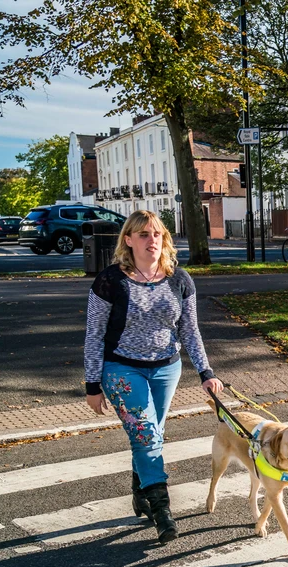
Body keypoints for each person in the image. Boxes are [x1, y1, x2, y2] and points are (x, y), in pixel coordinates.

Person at [84, 210, 223, 544]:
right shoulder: (110, 281)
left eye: (157, 234)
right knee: (146, 436)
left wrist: (206, 372)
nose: (152, 240)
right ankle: (162, 511)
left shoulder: (179, 279)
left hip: (166, 368)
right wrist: (92, 384)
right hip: (121, 369)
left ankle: (141, 491)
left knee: (150, 435)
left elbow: (190, 331)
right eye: (144, 234)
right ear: (128, 240)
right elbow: (94, 334)